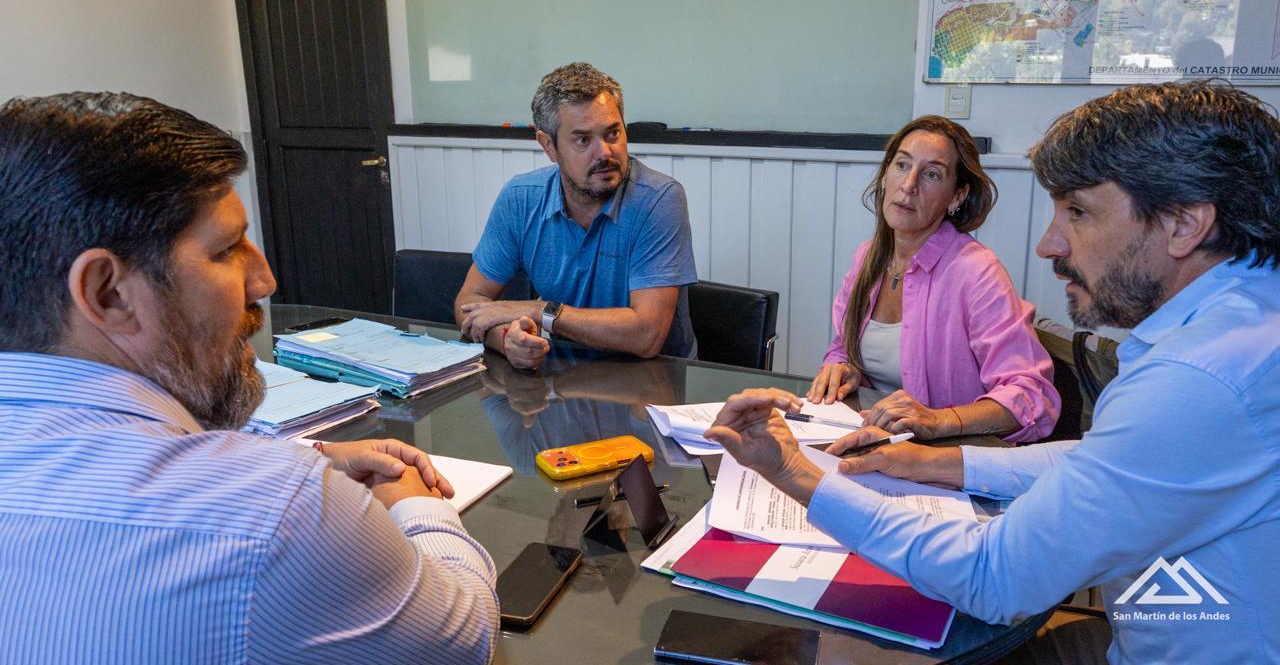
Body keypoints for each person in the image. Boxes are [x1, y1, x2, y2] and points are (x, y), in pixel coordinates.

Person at [706, 81, 1280, 664]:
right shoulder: (1236, 330)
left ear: (1184, 225)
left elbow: (992, 577)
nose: (1048, 244)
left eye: (1078, 212)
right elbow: (1101, 459)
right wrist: (928, 462)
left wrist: (797, 474)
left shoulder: (1200, 379)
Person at [0, 93, 498, 663]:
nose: (263, 281)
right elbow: (465, 641)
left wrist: (310, 456)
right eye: (226, 249)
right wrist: (415, 506)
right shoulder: (273, 510)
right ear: (108, 293)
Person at [809, 115, 1059, 442]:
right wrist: (842, 367)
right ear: (885, 175)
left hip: (943, 455)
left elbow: (1032, 396)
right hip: (872, 440)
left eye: (931, 174)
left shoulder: (977, 271)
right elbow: (842, 347)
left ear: (957, 196)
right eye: (902, 165)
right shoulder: (866, 257)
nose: (909, 185)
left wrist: (938, 420)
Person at [455, 62, 698, 369]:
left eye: (613, 133)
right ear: (549, 146)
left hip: (651, 381)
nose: (605, 152)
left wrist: (540, 310)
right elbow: (469, 302)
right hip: (560, 375)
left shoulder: (658, 199)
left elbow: (646, 335)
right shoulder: (521, 198)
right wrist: (507, 340)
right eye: (583, 140)